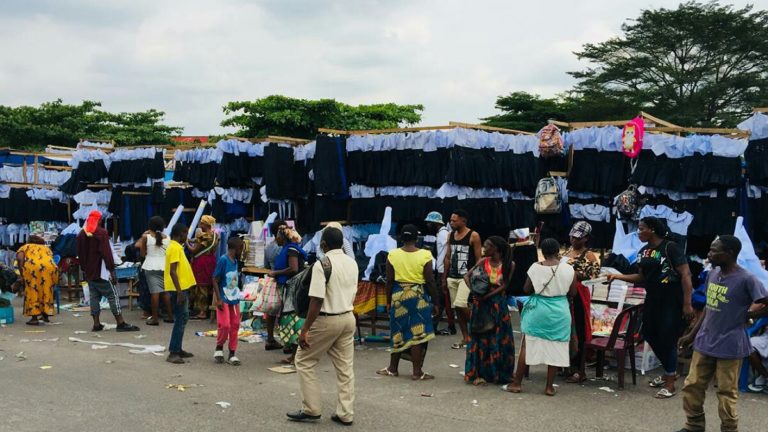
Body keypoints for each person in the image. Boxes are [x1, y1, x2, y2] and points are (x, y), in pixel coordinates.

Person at [676, 236, 768, 432]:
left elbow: (765, 302)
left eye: (714, 250)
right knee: (692, 387)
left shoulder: (747, 279)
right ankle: (694, 425)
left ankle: (729, 429)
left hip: (730, 345)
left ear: (729, 253)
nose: (709, 254)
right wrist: (691, 335)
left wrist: (749, 313)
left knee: (726, 393)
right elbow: (710, 307)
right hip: (705, 342)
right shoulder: (713, 274)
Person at [608, 216, 695, 399]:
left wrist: (687, 304)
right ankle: (669, 370)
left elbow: (686, 275)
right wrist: (617, 277)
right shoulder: (644, 251)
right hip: (653, 298)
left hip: (672, 299)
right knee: (648, 334)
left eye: (641, 229)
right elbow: (641, 277)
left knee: (667, 337)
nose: (638, 232)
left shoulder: (671, 248)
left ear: (652, 230)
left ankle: (670, 383)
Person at [287, 227, 359, 425]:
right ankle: (345, 413)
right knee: (345, 368)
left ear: (323, 244)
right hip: (347, 317)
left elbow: (316, 300)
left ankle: (311, 409)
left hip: (327, 319)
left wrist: (305, 329)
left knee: (304, 361)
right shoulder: (352, 263)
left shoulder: (323, 265)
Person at [505, 238, 576, 396]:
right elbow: (573, 293)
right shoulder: (569, 269)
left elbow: (526, 289)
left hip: (538, 310)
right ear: (558, 251)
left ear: (542, 252)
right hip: (560, 312)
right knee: (556, 347)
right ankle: (549, 387)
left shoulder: (535, 268)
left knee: (527, 345)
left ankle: (517, 383)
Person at [377, 224, 438, 380]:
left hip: (398, 296)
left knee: (397, 331)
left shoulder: (392, 255)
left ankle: (393, 368)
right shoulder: (425, 255)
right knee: (417, 335)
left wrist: (389, 300)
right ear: (416, 238)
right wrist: (436, 302)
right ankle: (417, 372)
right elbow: (430, 280)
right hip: (418, 297)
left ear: (400, 238)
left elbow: (389, 281)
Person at [463, 236, 516, 386]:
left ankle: (497, 373)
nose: (484, 249)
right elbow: (467, 276)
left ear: (496, 249)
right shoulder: (482, 262)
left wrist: (485, 296)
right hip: (481, 304)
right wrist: (475, 293)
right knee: (481, 338)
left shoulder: (509, 264)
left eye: (487, 246)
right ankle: (480, 373)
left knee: (498, 338)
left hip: (497, 306)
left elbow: (504, 285)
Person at [76, 210, 139, 332]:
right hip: (101, 270)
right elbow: (107, 253)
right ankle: (120, 322)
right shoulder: (101, 233)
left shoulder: (81, 234)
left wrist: (84, 269)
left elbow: (80, 253)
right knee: (112, 295)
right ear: (99, 220)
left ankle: (96, 323)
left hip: (89, 271)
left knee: (94, 297)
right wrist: (112, 270)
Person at [562, 221, 600, 384]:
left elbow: (594, 277)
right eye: (572, 236)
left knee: (579, 329)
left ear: (585, 238)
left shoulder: (589, 255)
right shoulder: (567, 251)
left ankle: (579, 369)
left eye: (577, 237)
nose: (573, 239)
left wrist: (574, 273)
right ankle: (566, 365)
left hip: (578, 295)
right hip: (564, 293)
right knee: (566, 329)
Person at [442, 209, 482, 350]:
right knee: (457, 309)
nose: (451, 223)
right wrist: (444, 277)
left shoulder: (473, 236)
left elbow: (479, 260)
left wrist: (473, 276)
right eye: (451, 220)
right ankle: (466, 338)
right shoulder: (450, 235)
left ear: (463, 221)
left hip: (466, 278)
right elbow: (447, 257)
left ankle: (480, 327)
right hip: (452, 277)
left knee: (461, 304)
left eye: (454, 220)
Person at [271, 227, 307, 364]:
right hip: (289, 288)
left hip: (294, 290)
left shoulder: (292, 250)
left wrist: (276, 273)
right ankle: (294, 356)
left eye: (278, 236)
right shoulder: (287, 248)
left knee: (293, 320)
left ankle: (295, 356)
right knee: (291, 320)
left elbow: (294, 268)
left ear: (283, 237)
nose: (276, 238)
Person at [166, 223, 197, 364]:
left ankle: (177, 348)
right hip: (177, 289)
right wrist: (179, 292)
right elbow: (172, 271)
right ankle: (173, 352)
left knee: (183, 318)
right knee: (180, 319)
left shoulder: (177, 247)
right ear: (180, 234)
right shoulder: (174, 247)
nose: (187, 237)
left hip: (182, 288)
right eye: (185, 233)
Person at [212, 237, 245, 366]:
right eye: (241, 248)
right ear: (235, 249)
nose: (242, 251)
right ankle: (219, 347)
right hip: (224, 298)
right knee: (225, 325)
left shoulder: (236, 261)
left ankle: (232, 353)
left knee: (235, 324)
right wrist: (218, 299)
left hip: (234, 298)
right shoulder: (223, 260)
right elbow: (215, 279)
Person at [134, 216, 173, 326]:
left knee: (154, 293)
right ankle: (170, 316)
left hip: (151, 265)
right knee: (165, 292)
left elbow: (142, 254)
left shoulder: (146, 237)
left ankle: (155, 318)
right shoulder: (167, 238)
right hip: (164, 266)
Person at [16, 230, 57, 325]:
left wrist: (22, 272)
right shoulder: (46, 248)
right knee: (46, 290)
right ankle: (45, 315)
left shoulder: (25, 247)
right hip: (50, 269)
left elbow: (20, 258)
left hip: (33, 268)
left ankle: (34, 318)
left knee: (32, 291)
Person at [424, 211, 454, 335]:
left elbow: (447, 253)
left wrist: (443, 272)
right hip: (441, 269)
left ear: (434, 223)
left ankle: (434, 326)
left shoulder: (443, 234)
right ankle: (447, 326)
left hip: (442, 271)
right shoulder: (442, 233)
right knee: (443, 299)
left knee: (439, 299)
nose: (427, 225)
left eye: (429, 223)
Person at [186, 215, 219, 320]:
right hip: (211, 261)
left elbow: (193, 250)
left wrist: (186, 242)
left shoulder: (205, 237)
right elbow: (195, 241)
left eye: (202, 222)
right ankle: (204, 310)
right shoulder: (214, 235)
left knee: (201, 286)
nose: (200, 224)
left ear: (206, 224)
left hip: (201, 262)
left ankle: (202, 312)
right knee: (207, 285)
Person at [264, 219, 288, 351]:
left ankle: (270, 339)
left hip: (273, 282)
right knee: (286, 310)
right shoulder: (286, 247)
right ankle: (287, 341)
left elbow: (267, 266)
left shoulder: (268, 248)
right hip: (285, 281)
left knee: (272, 311)